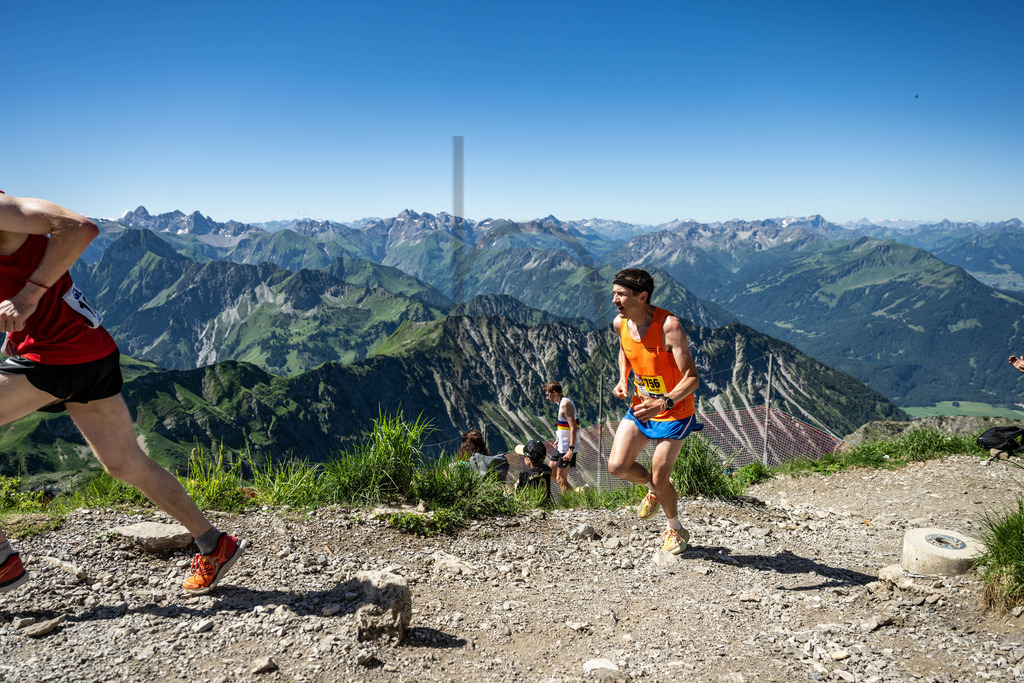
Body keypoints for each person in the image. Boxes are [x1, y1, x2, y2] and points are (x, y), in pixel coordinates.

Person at [0, 191, 248, 594]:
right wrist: (18, 331)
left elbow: (81, 228)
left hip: (59, 355)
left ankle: (2, 563)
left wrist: (29, 296)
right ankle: (214, 543)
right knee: (124, 463)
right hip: (91, 350)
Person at [606, 268, 700, 555]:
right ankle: (655, 488)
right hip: (641, 407)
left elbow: (692, 378)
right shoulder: (620, 323)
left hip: (674, 412)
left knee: (662, 479)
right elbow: (626, 350)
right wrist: (623, 378)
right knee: (617, 467)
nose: (614, 300)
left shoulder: (668, 326)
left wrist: (664, 402)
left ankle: (675, 528)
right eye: (613, 293)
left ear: (642, 296)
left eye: (620, 294)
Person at [543, 381, 579, 495]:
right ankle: (575, 494)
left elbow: (573, 427)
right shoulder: (561, 403)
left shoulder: (565, 404)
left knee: (560, 479)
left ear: (554, 392)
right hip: (561, 445)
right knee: (551, 473)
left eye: (548, 395)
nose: (547, 398)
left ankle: (569, 504)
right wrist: (559, 437)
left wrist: (571, 450)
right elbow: (565, 425)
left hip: (567, 448)